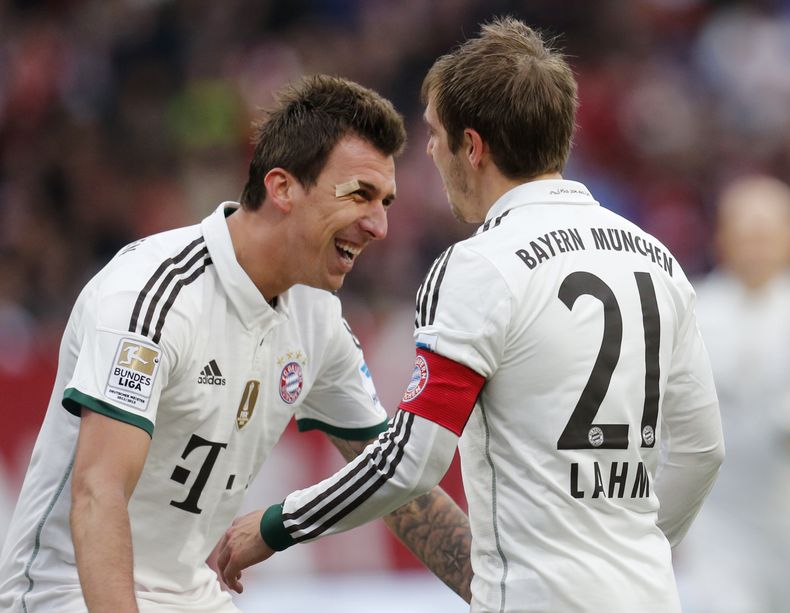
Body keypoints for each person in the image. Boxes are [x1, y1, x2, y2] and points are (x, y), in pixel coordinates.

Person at [216, 18, 725, 613]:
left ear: (473, 146)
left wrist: (278, 524)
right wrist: (634, 553)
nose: (429, 151)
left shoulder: (481, 265)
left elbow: (412, 463)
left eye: (435, 134)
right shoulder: (657, 259)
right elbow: (702, 450)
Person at [0, 75, 472, 612]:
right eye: (359, 195)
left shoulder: (316, 317)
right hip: (68, 594)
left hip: (191, 594)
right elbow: (97, 493)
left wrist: (501, 596)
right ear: (282, 188)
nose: (379, 225)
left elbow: (394, 480)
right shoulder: (152, 295)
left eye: (385, 201)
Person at [675, 176, 790, 613]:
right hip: (718, 523)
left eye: (766, 235)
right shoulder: (693, 310)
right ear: (723, 238)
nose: (756, 248)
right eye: (746, 235)